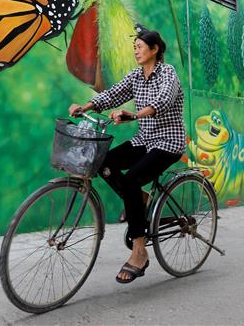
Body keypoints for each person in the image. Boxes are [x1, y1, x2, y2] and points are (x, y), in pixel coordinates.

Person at [69, 27, 185, 284]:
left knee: (131, 179)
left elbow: (164, 101)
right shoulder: (135, 75)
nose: (136, 50)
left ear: (154, 50)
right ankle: (141, 199)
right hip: (145, 140)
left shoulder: (168, 73)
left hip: (168, 143)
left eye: (140, 46)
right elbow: (114, 94)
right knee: (105, 162)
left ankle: (139, 252)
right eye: (135, 47)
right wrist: (84, 107)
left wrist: (132, 115)